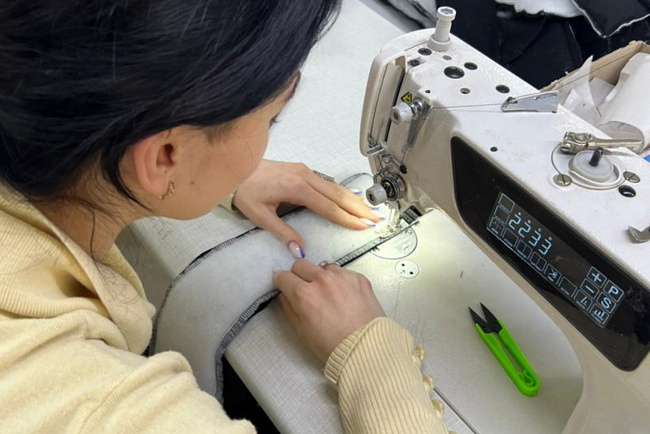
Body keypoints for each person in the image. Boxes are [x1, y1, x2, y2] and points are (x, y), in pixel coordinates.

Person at [0, 1, 449, 432]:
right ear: (164, 155)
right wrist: (371, 356)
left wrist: (196, 170)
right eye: (271, 119)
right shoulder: (101, 410)